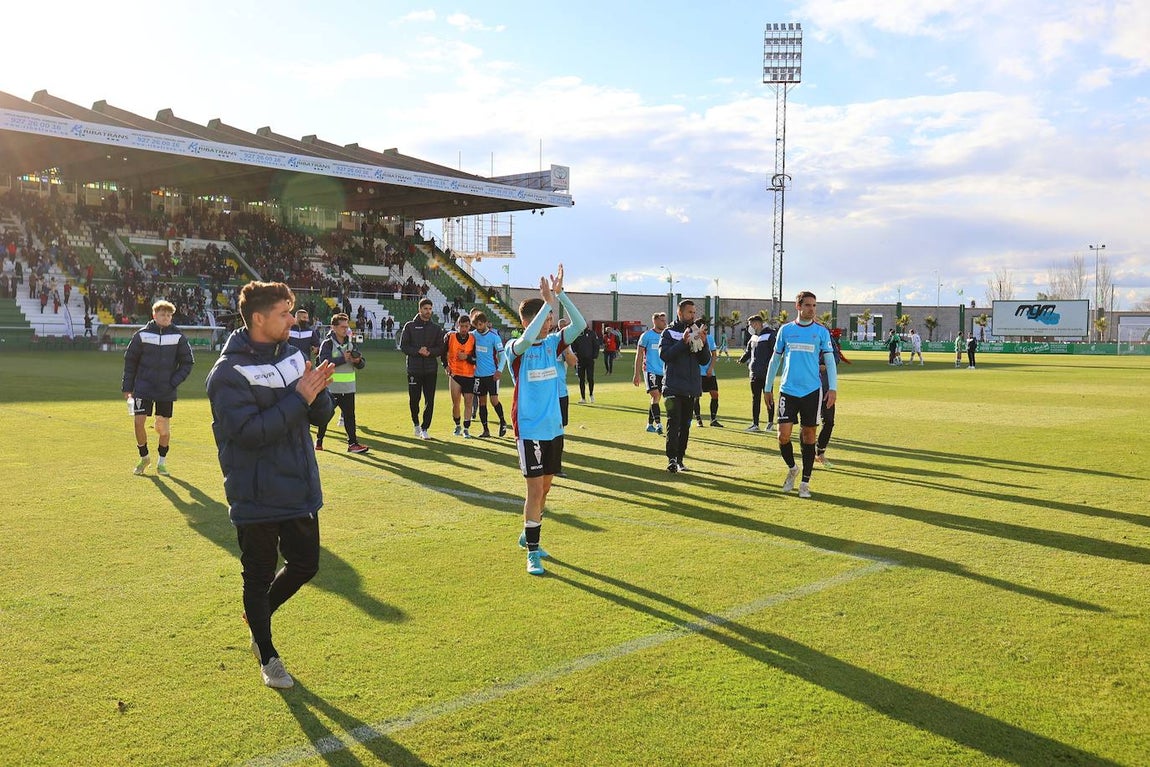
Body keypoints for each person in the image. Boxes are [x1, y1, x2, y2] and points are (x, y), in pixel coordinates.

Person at [205, 280, 336, 690]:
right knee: (257, 578)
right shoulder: (228, 373)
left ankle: (256, 612)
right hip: (256, 494)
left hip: (298, 487)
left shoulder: (295, 355)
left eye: (292, 310)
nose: (292, 318)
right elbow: (249, 433)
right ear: (258, 318)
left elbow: (320, 417)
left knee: (306, 565)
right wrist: (300, 397)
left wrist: (318, 396)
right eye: (284, 312)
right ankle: (267, 654)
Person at [505, 264, 585, 575]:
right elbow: (526, 338)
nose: (550, 322)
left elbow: (579, 323)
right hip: (529, 430)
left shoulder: (554, 345)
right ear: (527, 321)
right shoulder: (516, 348)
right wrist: (547, 302)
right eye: (546, 317)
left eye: (551, 318)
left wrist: (560, 296)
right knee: (534, 492)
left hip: (554, 428)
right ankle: (533, 553)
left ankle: (528, 534)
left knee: (547, 489)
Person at [764, 291, 838, 499]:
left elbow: (830, 362)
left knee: (809, 436)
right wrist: (767, 387)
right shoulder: (786, 331)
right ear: (798, 306)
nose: (812, 309)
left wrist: (833, 388)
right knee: (783, 435)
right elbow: (775, 360)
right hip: (788, 389)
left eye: (814, 306)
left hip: (812, 391)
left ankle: (805, 483)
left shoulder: (821, 332)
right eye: (808, 305)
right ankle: (792, 468)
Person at [121, 299, 195, 476]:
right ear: (154, 315)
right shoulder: (142, 335)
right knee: (139, 422)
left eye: (169, 315)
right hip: (143, 387)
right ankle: (144, 457)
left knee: (163, 428)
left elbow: (188, 362)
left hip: (165, 390)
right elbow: (130, 361)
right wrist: (127, 387)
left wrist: (173, 381)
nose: (166, 317)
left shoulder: (178, 337)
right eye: (163, 314)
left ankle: (162, 463)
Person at [659, 300, 712, 473]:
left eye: (694, 312)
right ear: (680, 313)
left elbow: (704, 360)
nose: (693, 315)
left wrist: (703, 344)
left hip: (691, 387)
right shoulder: (669, 332)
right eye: (690, 312)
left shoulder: (698, 331)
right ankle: (672, 459)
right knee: (673, 423)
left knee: (685, 425)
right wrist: (682, 342)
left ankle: (680, 459)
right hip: (672, 387)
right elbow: (665, 355)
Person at [316, 313, 369, 453]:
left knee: (350, 417)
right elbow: (323, 362)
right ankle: (319, 441)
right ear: (333, 327)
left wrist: (358, 362)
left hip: (348, 388)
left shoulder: (351, 343)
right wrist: (342, 359)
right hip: (330, 388)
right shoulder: (327, 344)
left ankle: (353, 444)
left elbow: (362, 364)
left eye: (347, 326)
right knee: (324, 416)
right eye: (342, 327)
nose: (345, 329)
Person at [399, 298, 445, 439]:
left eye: (430, 309)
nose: (428, 311)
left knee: (429, 400)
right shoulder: (410, 326)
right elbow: (404, 346)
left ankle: (425, 428)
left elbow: (441, 348)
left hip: (431, 370)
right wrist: (418, 350)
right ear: (419, 310)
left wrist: (429, 352)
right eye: (425, 309)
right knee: (414, 399)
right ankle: (416, 424)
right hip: (414, 369)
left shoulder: (436, 328)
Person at [469, 310, 509, 437]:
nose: (479, 327)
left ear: (486, 323)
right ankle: (485, 430)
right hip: (478, 375)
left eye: (481, 324)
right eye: (476, 325)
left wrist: (499, 370)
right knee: (482, 402)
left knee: (494, 400)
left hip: (492, 374)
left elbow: (503, 355)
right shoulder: (473, 335)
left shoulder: (494, 336)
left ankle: (502, 421)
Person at [815, 326, 850, 466]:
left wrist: (826, 364)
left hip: (826, 386)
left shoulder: (828, 339)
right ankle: (809, 454)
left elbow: (836, 357)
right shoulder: (805, 337)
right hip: (808, 387)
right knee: (809, 423)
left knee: (829, 421)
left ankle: (820, 452)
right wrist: (816, 365)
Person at [739, 315, 776, 432]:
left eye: (751, 324)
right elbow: (749, 351)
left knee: (768, 397)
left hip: (766, 373)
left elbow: (775, 353)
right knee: (756, 399)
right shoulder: (753, 337)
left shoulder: (770, 334)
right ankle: (755, 423)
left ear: (758, 323)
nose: (750, 327)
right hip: (754, 372)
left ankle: (770, 423)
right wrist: (742, 359)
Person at [633, 311, 668, 434]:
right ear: (655, 321)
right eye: (662, 321)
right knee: (655, 395)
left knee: (656, 399)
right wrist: (636, 374)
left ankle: (649, 424)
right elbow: (639, 354)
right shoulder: (646, 336)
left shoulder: (666, 335)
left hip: (664, 372)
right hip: (650, 370)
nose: (665, 323)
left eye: (665, 320)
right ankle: (658, 424)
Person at [443, 314, 477, 438]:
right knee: (456, 403)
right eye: (461, 326)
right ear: (457, 325)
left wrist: (467, 357)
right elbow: (442, 353)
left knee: (469, 402)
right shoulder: (450, 337)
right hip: (455, 374)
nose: (463, 329)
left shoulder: (473, 339)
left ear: (469, 326)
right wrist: (445, 366)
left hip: (469, 375)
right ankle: (457, 425)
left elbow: (476, 358)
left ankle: (466, 428)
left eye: (466, 326)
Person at [692, 329, 724, 427]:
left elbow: (714, 354)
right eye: (703, 330)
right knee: (696, 396)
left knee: (715, 394)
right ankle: (698, 419)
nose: (705, 332)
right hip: (697, 372)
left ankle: (713, 419)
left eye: (705, 330)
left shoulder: (709, 338)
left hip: (709, 372)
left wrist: (710, 368)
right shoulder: (693, 338)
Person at [570, 325, 601, 403]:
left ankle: (591, 394)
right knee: (581, 379)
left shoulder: (591, 333)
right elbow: (573, 345)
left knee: (590, 378)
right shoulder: (577, 334)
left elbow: (596, 345)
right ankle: (583, 398)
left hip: (589, 360)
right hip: (580, 360)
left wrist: (594, 355)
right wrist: (575, 354)